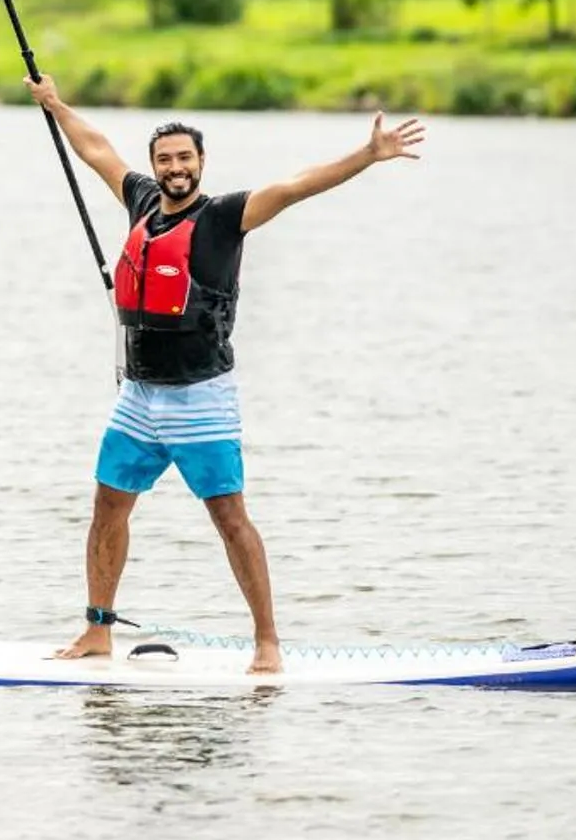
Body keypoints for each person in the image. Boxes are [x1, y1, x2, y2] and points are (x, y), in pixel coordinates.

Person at [27, 74, 425, 674]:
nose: (175, 167)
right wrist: (56, 106)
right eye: (165, 159)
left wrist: (368, 156)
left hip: (201, 399)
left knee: (230, 517)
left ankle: (267, 642)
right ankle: (96, 630)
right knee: (108, 508)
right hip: (138, 397)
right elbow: (96, 150)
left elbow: (295, 187)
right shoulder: (140, 199)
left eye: (185, 157)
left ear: (201, 162)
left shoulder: (224, 217)